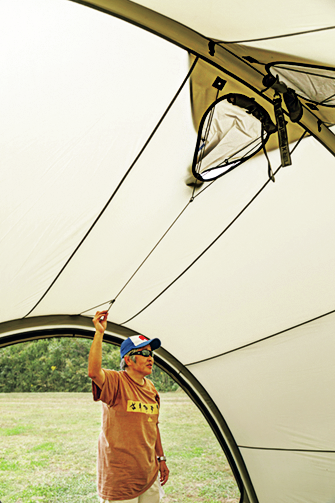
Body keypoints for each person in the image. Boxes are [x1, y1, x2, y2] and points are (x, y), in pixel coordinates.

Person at [88, 310, 169, 503]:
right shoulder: (115, 382)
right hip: (120, 479)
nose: (150, 358)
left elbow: (153, 425)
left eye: (151, 353)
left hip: (148, 475)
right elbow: (93, 372)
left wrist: (161, 458)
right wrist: (99, 333)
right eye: (143, 353)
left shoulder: (151, 389)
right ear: (128, 359)